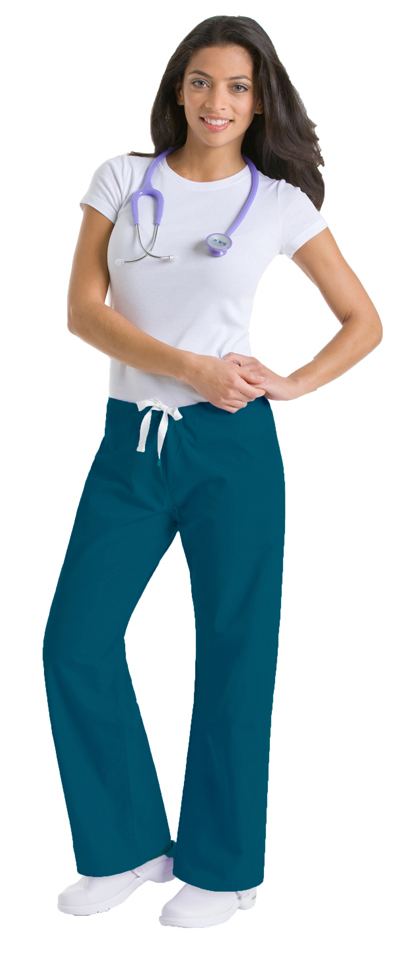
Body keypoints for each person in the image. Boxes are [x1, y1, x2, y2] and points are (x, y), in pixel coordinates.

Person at [42, 15, 383, 930]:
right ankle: (126, 846)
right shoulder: (122, 180)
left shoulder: (279, 203)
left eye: (237, 86)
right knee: (74, 642)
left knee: (235, 651)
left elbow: (364, 321)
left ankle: (225, 869)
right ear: (178, 89)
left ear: (260, 100)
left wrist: (292, 382)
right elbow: (82, 312)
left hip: (233, 449)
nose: (217, 101)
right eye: (201, 82)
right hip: (131, 444)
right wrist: (189, 367)